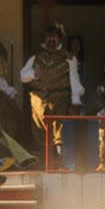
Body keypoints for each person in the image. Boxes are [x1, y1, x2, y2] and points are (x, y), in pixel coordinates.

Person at [20, 23, 85, 164]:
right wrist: (34, 74)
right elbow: (23, 76)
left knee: (59, 131)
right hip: (38, 101)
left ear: (59, 38)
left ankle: (60, 161)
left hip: (60, 98)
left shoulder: (68, 57)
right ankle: (45, 162)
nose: (51, 40)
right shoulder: (35, 56)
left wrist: (75, 102)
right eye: (49, 37)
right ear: (44, 38)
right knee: (39, 131)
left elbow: (74, 80)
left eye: (54, 37)